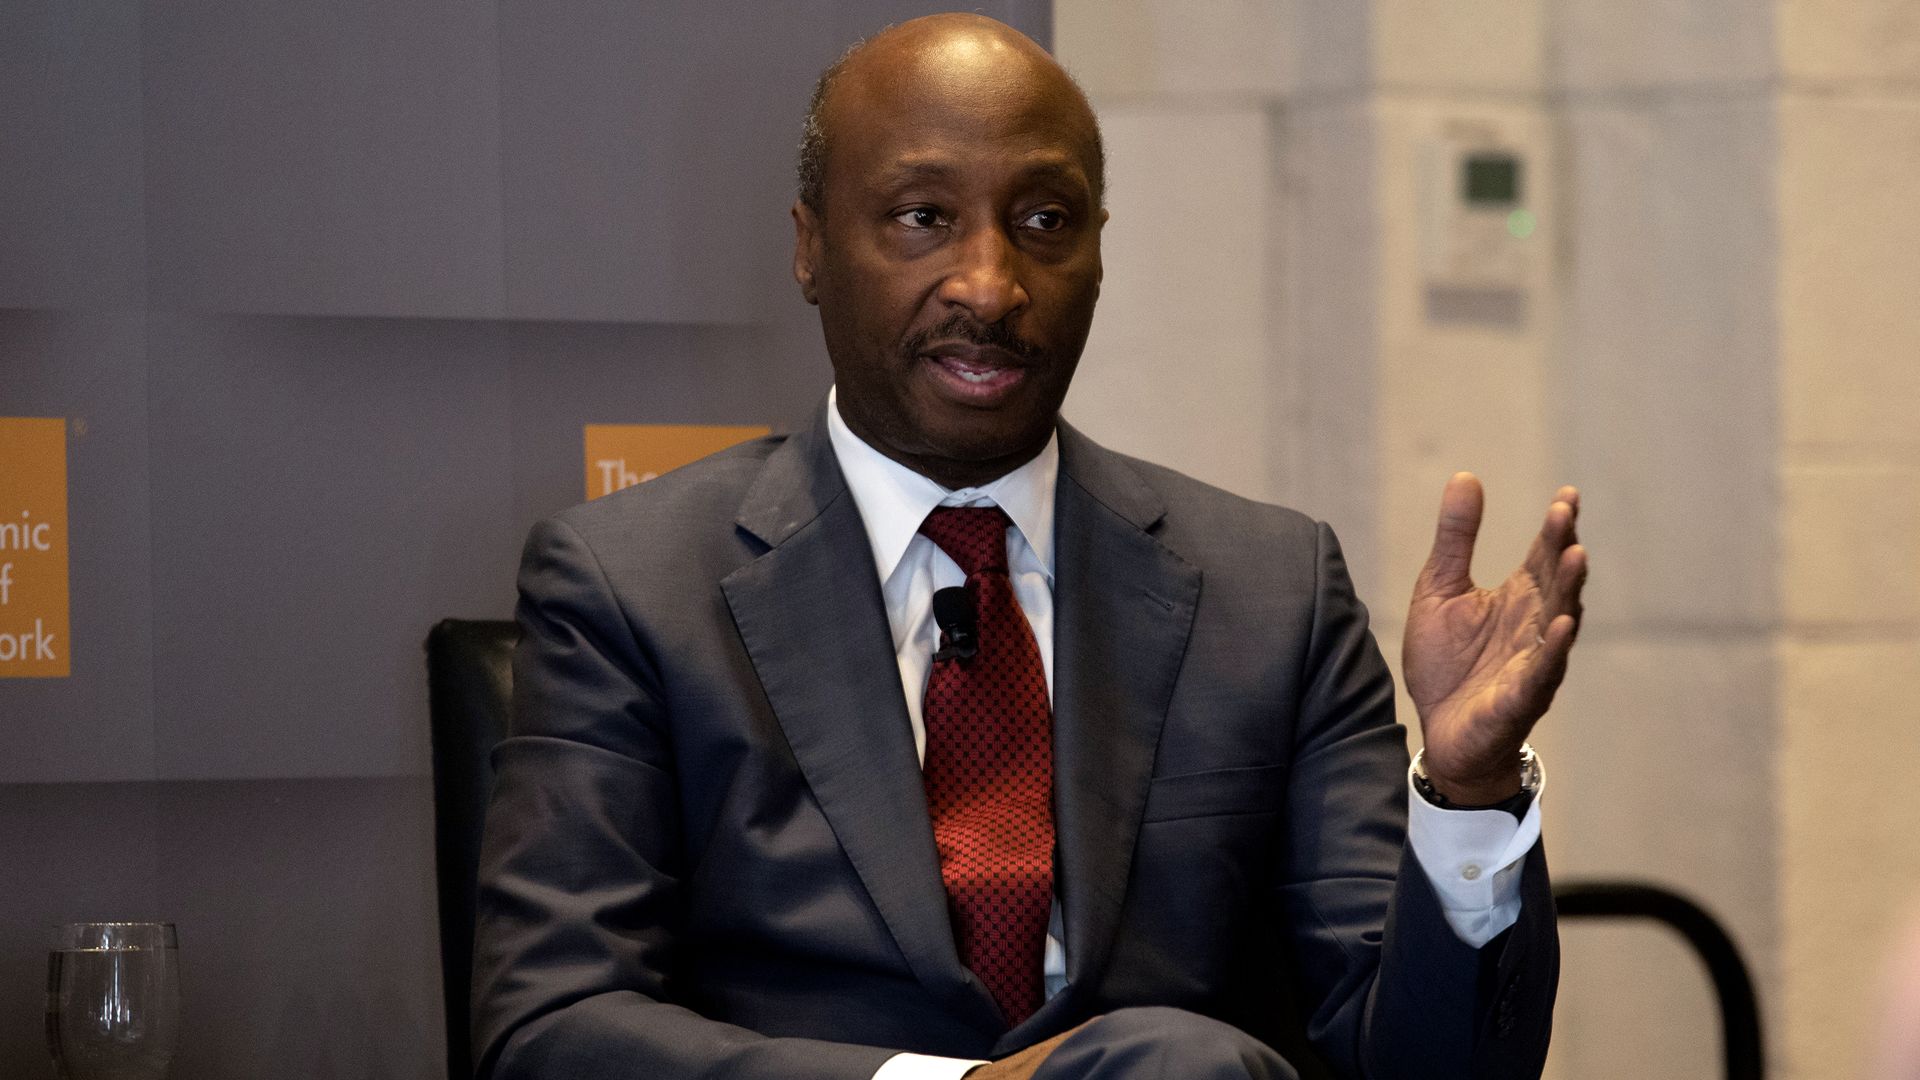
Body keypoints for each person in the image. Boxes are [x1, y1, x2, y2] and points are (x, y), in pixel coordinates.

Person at [472, 13, 1587, 1080]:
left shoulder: (1269, 593)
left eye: (1046, 221)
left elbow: (1439, 1066)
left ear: (1100, 255)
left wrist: (1469, 790)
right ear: (810, 247)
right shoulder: (632, 586)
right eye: (922, 216)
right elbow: (553, 1032)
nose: (992, 286)